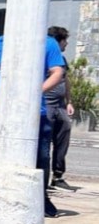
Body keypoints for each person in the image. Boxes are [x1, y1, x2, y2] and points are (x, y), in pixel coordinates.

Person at [0, 31, 65, 217]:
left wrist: (36, 92)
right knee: (2, 154)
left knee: (41, 156)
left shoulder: (48, 43)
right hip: (5, 112)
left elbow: (57, 71)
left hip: (36, 112)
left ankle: (41, 197)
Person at [46, 26, 75, 190]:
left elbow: (66, 80)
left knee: (63, 137)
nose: (67, 44)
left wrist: (69, 101)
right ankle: (43, 175)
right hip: (47, 104)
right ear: (58, 41)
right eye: (65, 41)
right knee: (44, 140)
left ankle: (58, 176)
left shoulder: (62, 60)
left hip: (60, 106)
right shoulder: (45, 56)